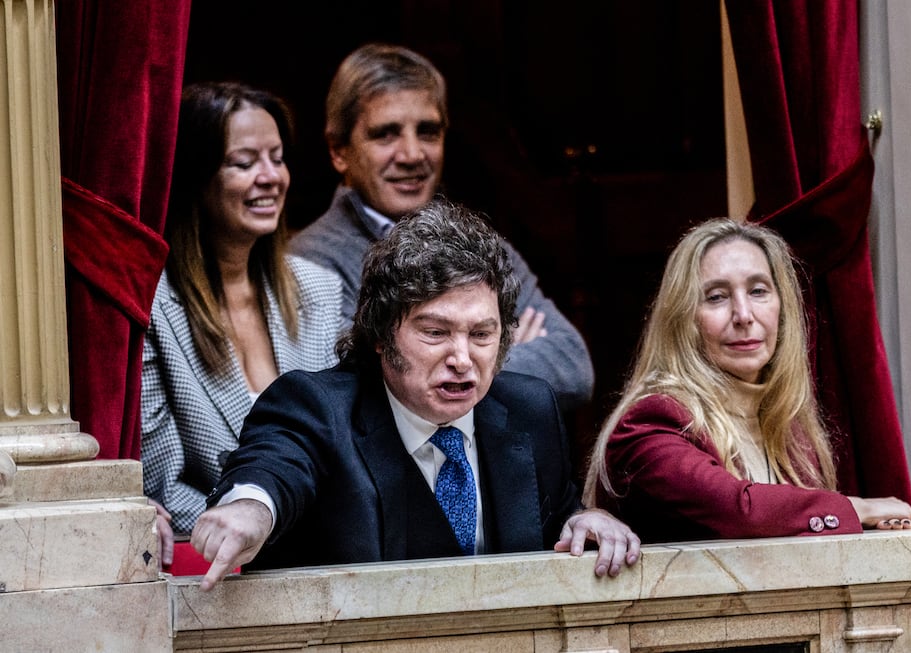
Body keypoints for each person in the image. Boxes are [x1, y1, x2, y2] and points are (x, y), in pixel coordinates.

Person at [190, 200, 640, 591]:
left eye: (481, 334)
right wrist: (252, 508)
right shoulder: (316, 406)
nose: (462, 359)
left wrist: (583, 522)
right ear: (381, 334)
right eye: (435, 332)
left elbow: (557, 517)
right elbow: (274, 469)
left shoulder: (529, 408)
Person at [288, 42, 593, 412]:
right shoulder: (311, 261)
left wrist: (431, 371)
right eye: (386, 134)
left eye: (428, 132)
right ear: (339, 151)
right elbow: (354, 392)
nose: (413, 154)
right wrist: (498, 348)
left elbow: (573, 366)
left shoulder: (480, 244)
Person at [583, 217, 911, 543]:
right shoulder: (653, 420)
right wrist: (857, 508)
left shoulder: (786, 425)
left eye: (758, 291)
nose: (744, 315)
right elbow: (740, 511)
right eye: (716, 297)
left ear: (782, 307)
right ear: (683, 318)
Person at [141, 82, 345, 563]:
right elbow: (163, 484)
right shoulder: (152, 306)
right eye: (245, 162)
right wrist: (263, 528)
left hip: (328, 557)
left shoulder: (319, 288)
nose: (271, 177)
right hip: (218, 567)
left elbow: (347, 450)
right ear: (197, 176)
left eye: (278, 158)